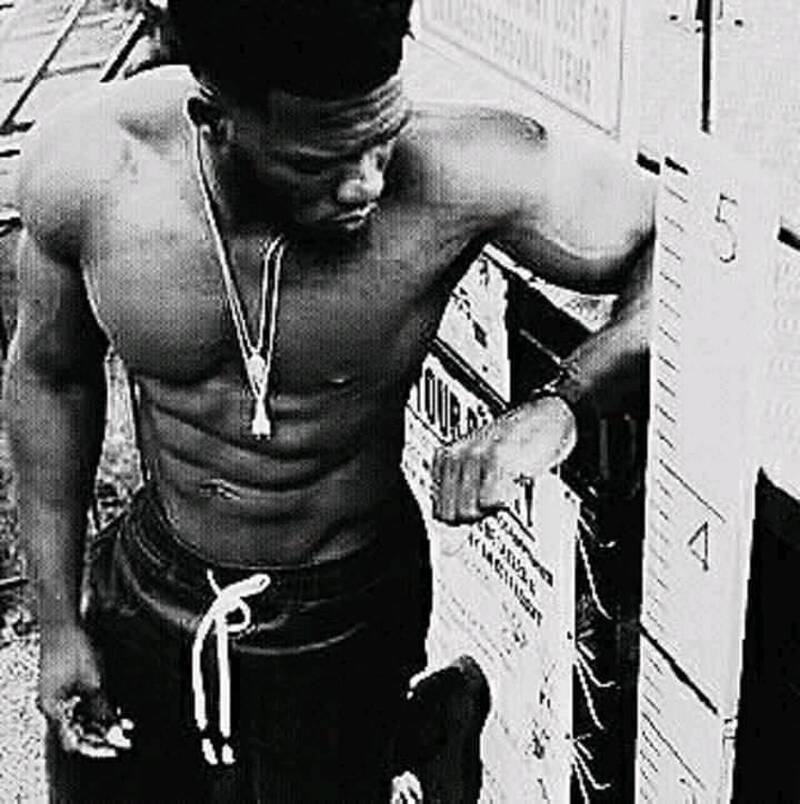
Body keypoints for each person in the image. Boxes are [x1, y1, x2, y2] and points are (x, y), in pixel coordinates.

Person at [5, 0, 654, 800]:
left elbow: (682, 255)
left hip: (345, 607)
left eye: (382, 139)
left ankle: (419, 732)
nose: (367, 184)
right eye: (319, 163)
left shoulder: (463, 169)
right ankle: (425, 728)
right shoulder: (92, 168)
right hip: (155, 579)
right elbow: (51, 376)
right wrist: (59, 623)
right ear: (216, 122)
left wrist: (561, 405)